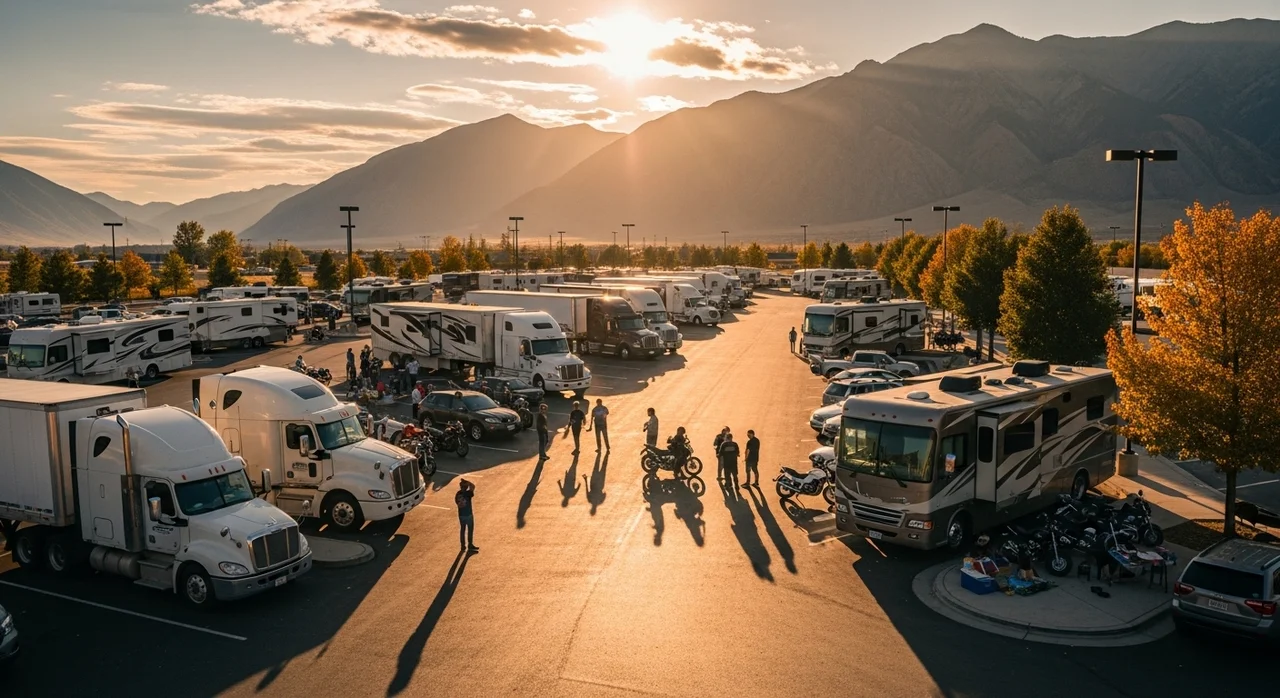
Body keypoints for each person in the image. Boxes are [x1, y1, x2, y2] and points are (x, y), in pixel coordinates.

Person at [455, 479, 478, 554]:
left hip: (461, 515)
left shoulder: (457, 494)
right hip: (468, 514)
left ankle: (463, 546)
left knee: (462, 530)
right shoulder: (468, 494)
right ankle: (470, 545)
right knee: (470, 530)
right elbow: (473, 486)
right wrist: (468, 482)